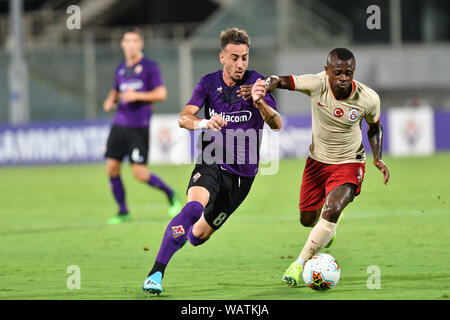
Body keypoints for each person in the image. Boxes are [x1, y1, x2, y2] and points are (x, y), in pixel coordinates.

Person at [142, 28, 282, 294]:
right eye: (234, 57)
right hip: (211, 160)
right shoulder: (207, 83)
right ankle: (156, 273)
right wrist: (206, 122)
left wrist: (260, 101)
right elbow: (184, 118)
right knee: (193, 207)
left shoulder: (257, 83)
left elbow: (276, 124)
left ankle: (184, 234)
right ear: (222, 57)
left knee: (197, 237)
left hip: (242, 176)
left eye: (244, 57)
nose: (240, 64)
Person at [239, 47, 390, 287]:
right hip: (317, 163)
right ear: (327, 71)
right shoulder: (316, 84)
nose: (343, 77)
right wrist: (265, 84)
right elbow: (281, 81)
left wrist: (377, 158)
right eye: (337, 72)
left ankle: (298, 264)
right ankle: (327, 230)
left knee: (331, 211)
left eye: (348, 73)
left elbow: (374, 127)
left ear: (354, 72)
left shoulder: (368, 98)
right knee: (308, 220)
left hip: (350, 163)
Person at [103, 27, 181, 224]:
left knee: (139, 173)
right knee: (112, 168)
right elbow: (116, 90)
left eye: (134, 41)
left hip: (138, 127)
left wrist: (137, 95)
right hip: (119, 125)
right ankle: (123, 211)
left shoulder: (149, 67)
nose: (130, 45)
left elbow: (161, 94)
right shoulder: (121, 68)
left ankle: (170, 193)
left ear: (141, 44)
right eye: (127, 41)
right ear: (122, 44)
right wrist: (110, 100)